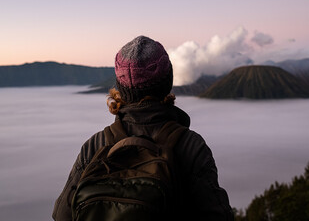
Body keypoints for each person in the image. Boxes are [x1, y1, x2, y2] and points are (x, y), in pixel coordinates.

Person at [52, 36, 234, 220]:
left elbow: (61, 215)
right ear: (167, 82)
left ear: (120, 88)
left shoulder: (95, 146)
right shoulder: (190, 146)